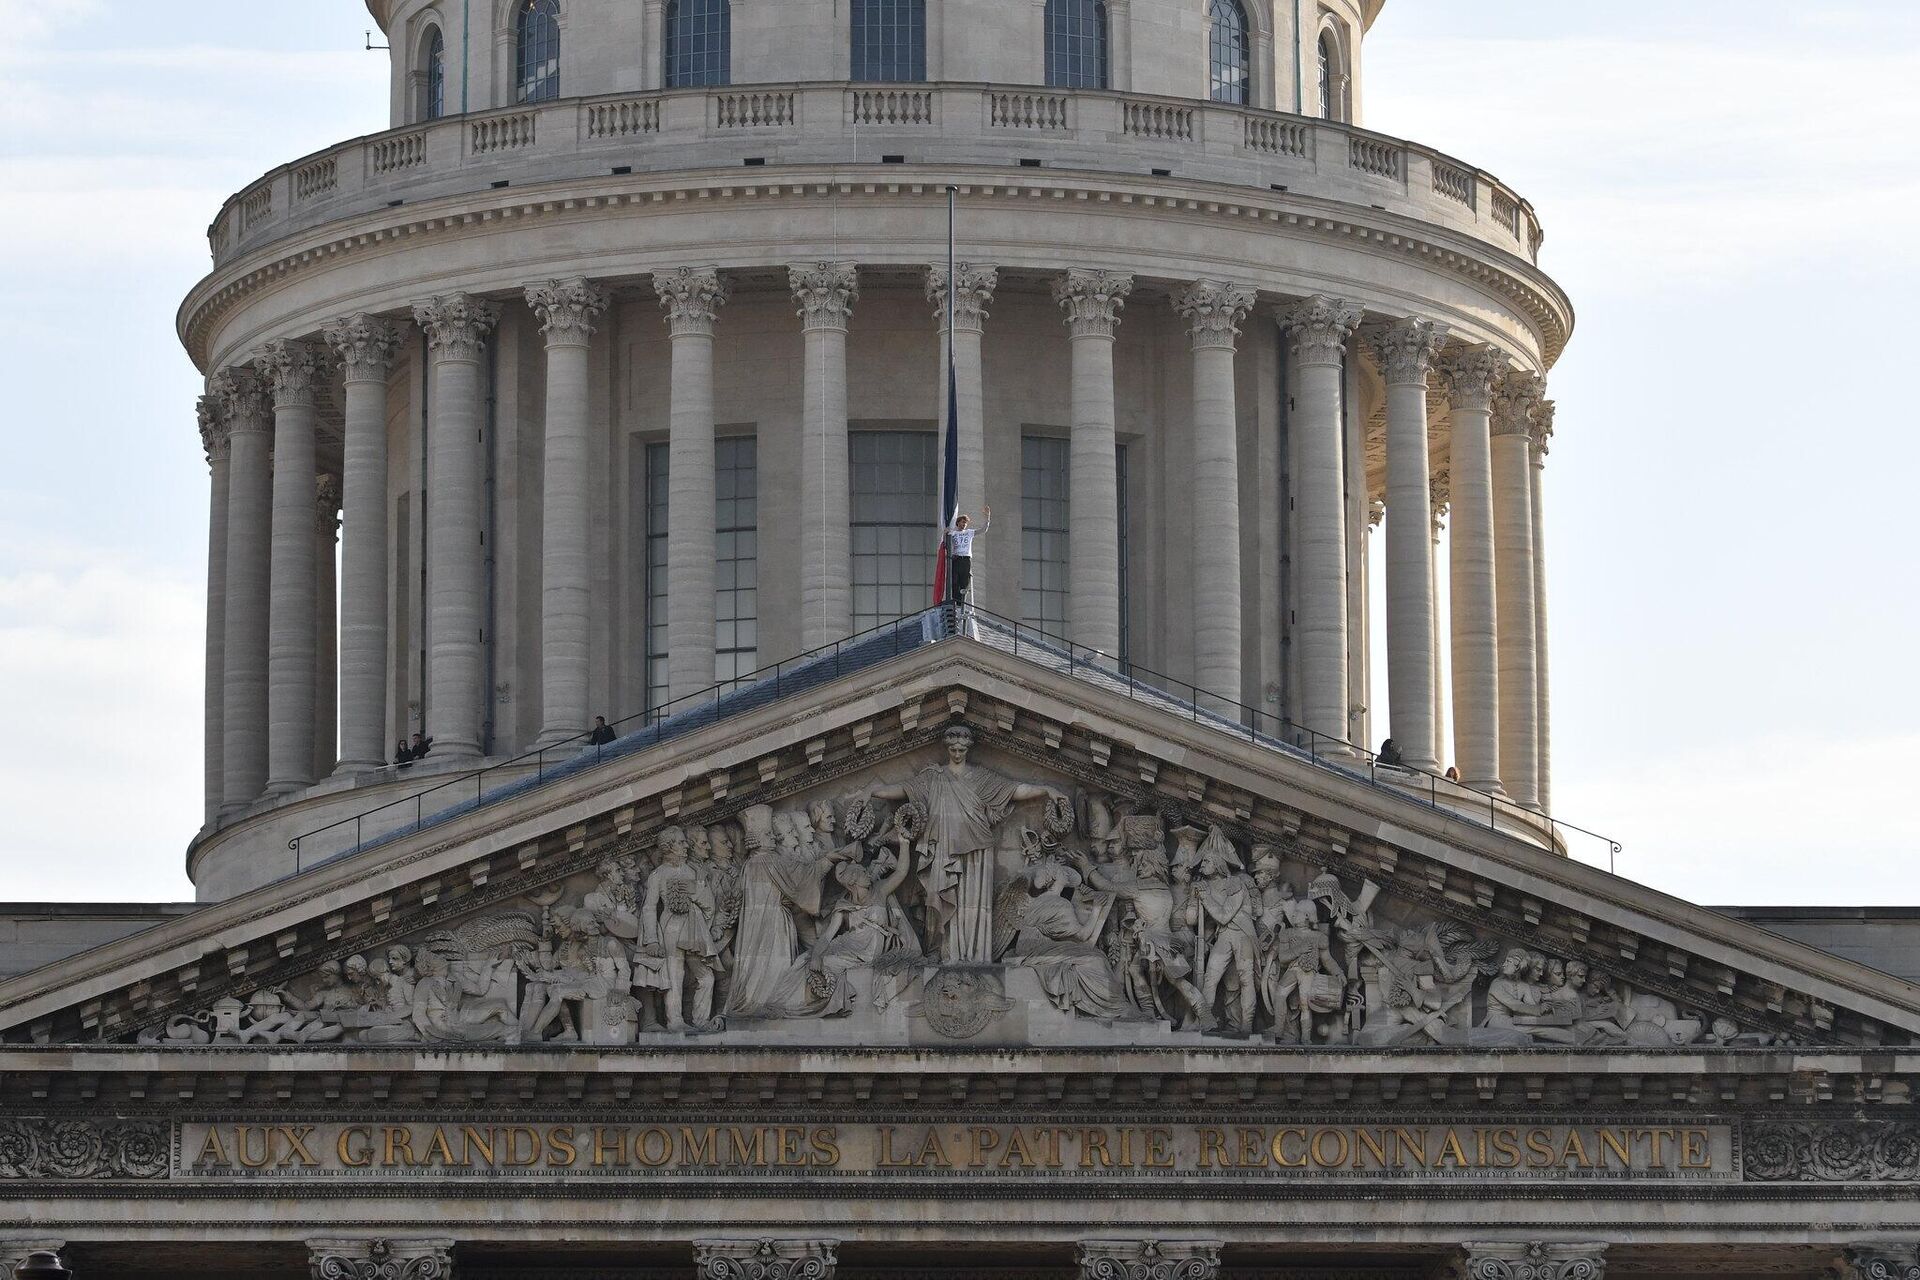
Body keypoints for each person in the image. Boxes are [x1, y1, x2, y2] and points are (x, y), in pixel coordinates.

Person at [947, 505, 991, 604]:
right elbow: (946, 537)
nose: (964, 524)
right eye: (963, 522)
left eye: (966, 523)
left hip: (966, 559)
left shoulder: (969, 532)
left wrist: (987, 518)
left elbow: (983, 530)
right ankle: (955, 601)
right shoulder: (953, 533)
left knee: (964, 581)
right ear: (958, 522)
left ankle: (961, 603)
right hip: (956, 558)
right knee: (954, 581)